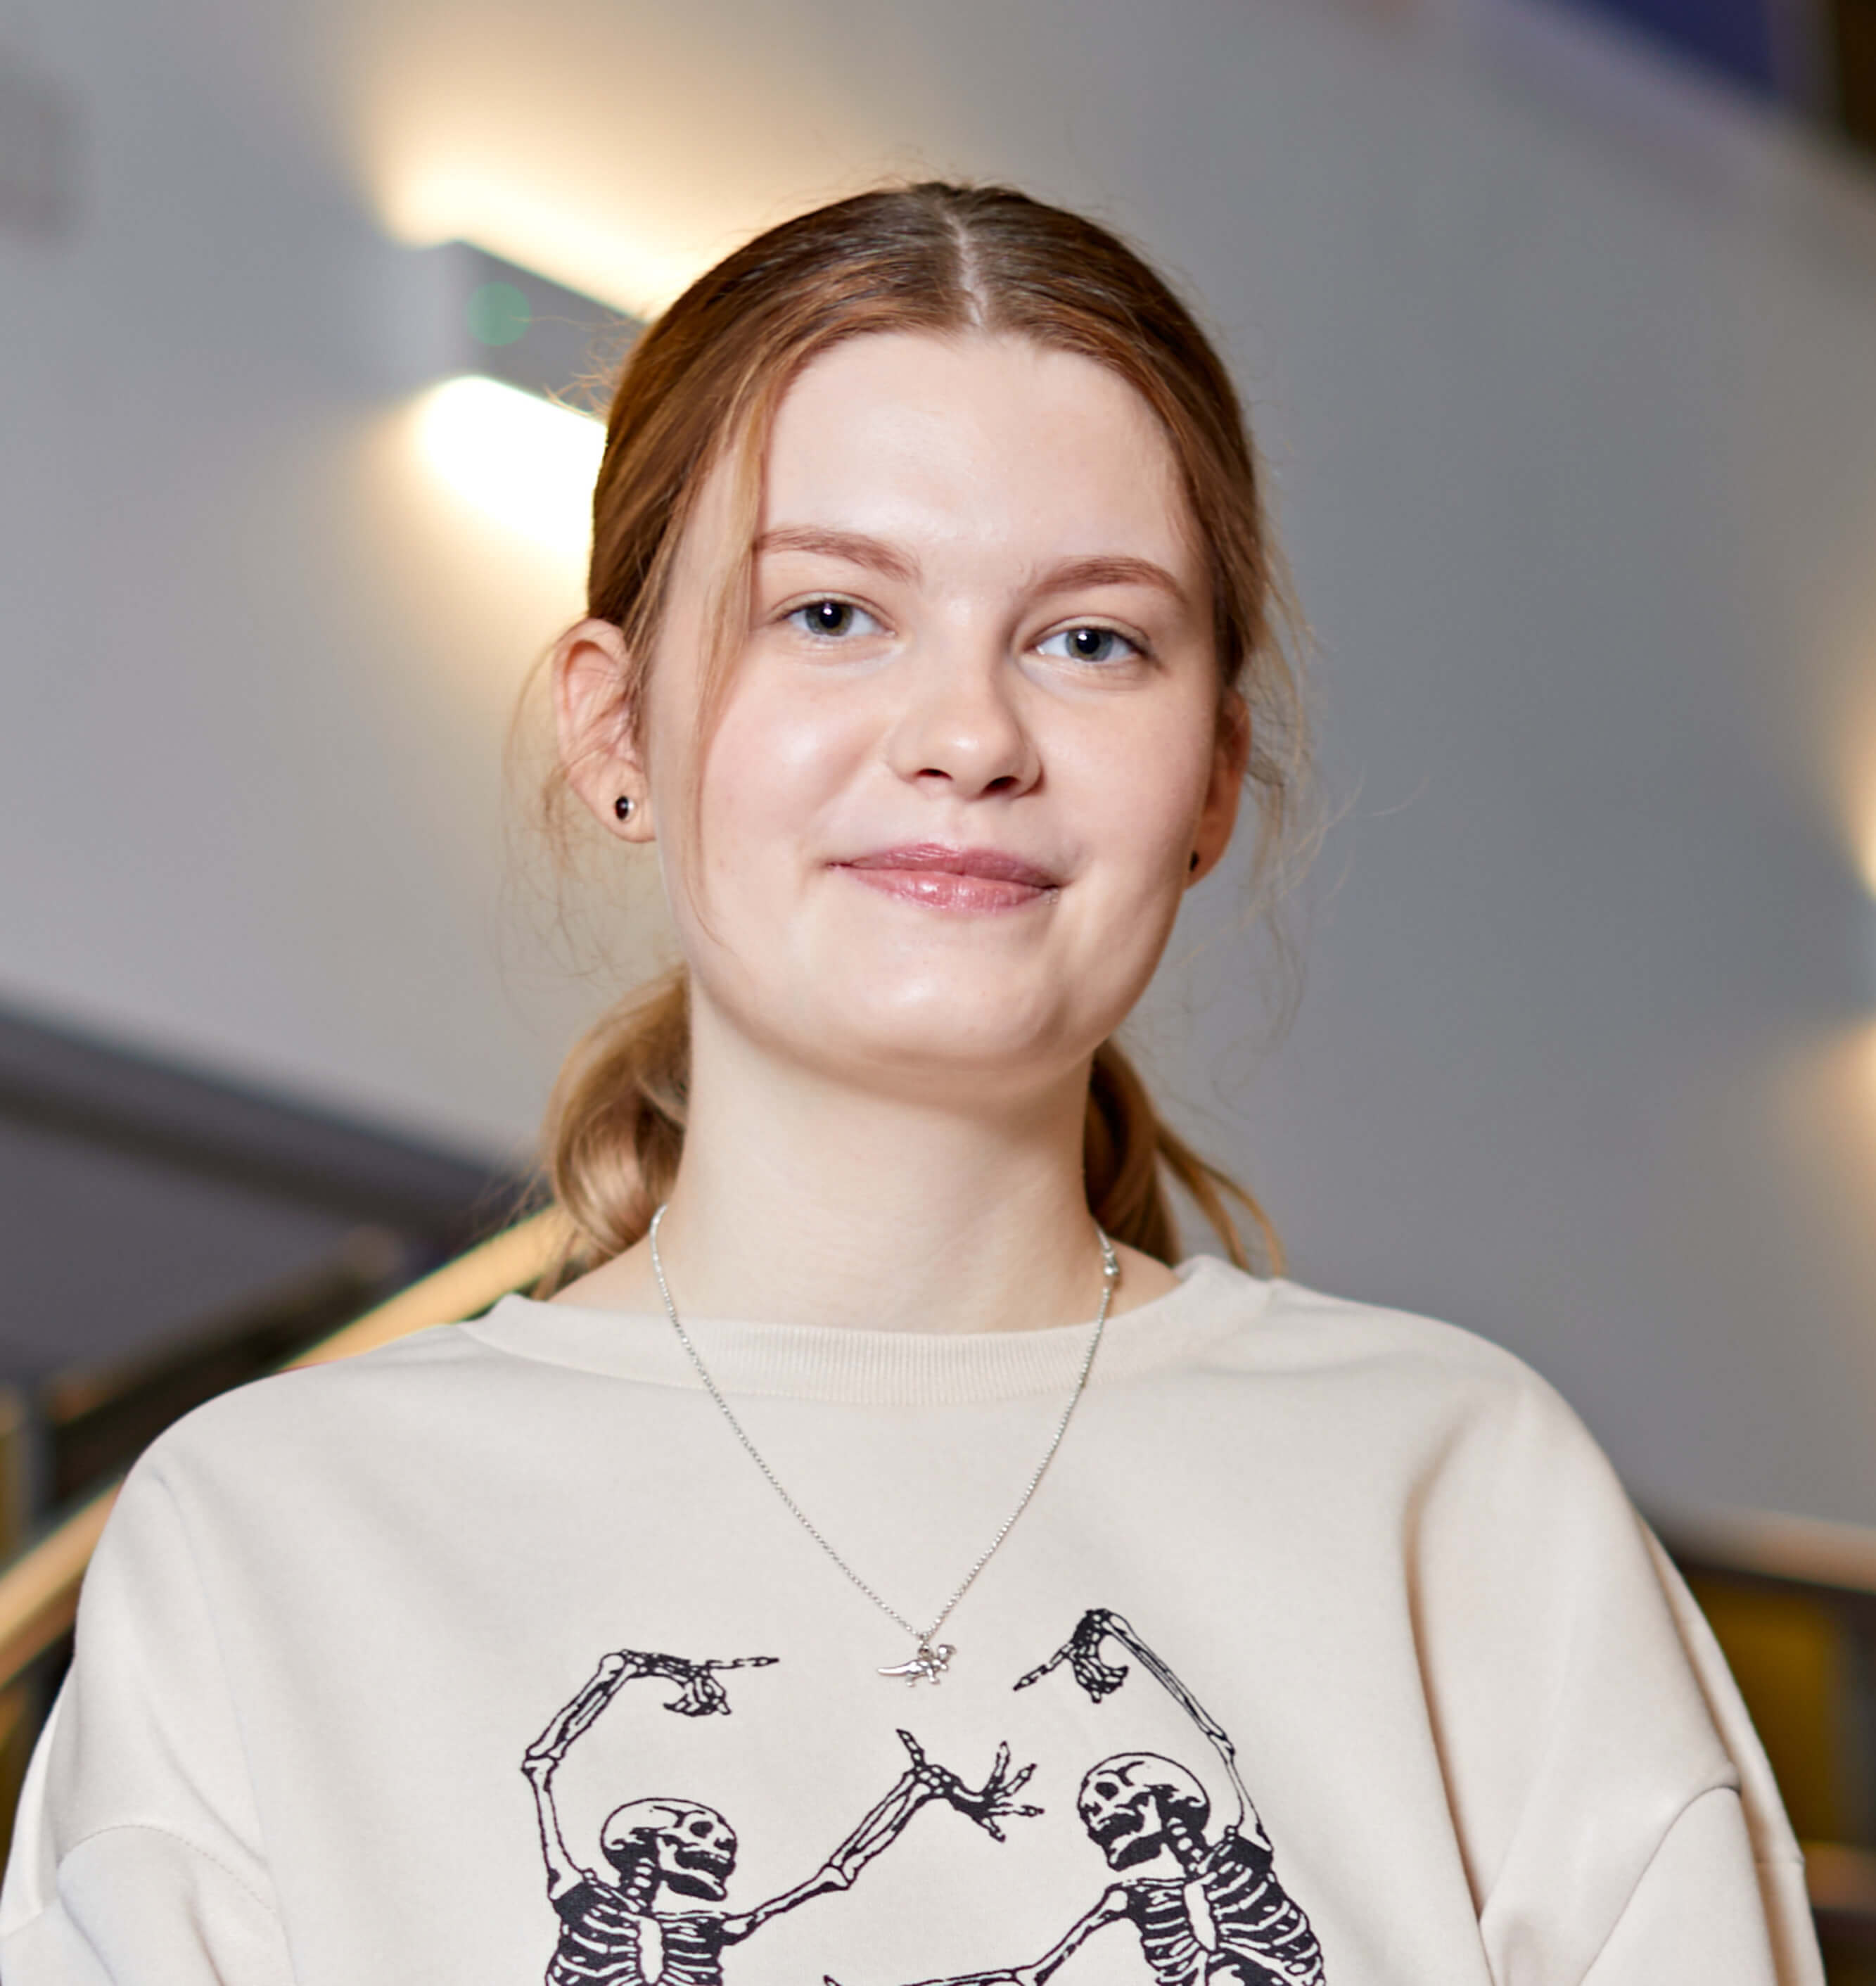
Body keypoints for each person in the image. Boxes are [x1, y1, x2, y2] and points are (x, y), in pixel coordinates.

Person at [0, 182, 1821, 1986]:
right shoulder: (275, 1543)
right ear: (612, 727)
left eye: (1090, 638)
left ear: (1207, 782)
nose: (967, 736)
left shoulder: (1459, 1501)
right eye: (829, 614)